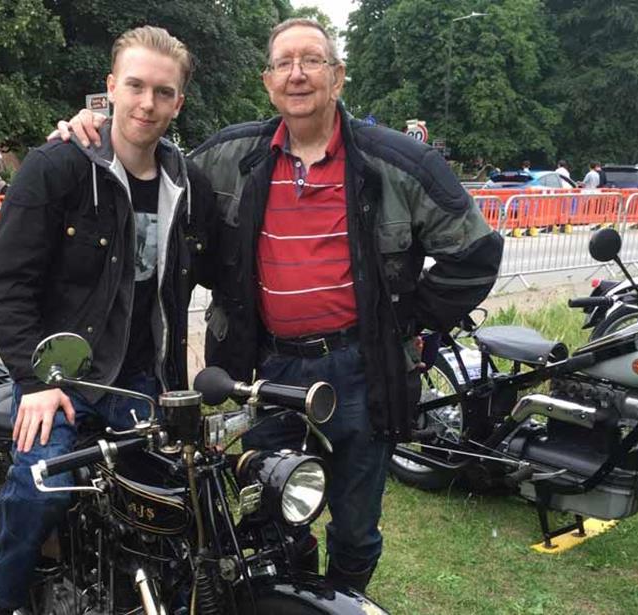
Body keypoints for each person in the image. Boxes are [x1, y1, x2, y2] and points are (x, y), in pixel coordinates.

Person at [57, 17, 503, 594]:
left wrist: (405, 320)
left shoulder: (398, 163)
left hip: (361, 369)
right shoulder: (227, 157)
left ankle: (342, 598)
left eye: (312, 60)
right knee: (269, 511)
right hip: (264, 369)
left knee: (356, 525)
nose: (298, 74)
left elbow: (475, 254)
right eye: (284, 63)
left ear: (337, 77)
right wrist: (89, 127)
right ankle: (287, 596)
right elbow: (145, 153)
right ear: (268, 81)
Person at [0, 26, 215, 615]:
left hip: (139, 380)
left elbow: (226, 270)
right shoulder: (57, 167)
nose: (147, 103)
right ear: (110, 89)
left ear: (178, 102)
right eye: (135, 86)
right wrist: (35, 384)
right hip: (59, 379)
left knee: (176, 500)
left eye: (163, 92)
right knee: (41, 490)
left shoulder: (189, 183)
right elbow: (5, 287)